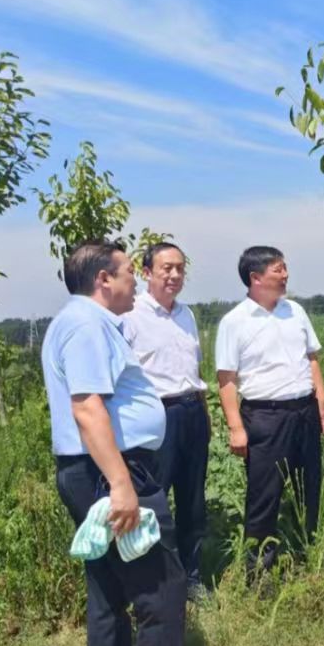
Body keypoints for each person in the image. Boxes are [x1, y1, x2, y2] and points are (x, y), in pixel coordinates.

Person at [42, 240, 186, 646]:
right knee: (162, 591)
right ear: (103, 279)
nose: (136, 281)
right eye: (128, 272)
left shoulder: (88, 322)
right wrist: (122, 484)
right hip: (112, 473)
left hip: (98, 470)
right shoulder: (87, 325)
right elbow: (87, 408)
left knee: (108, 591)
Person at [214, 246, 324, 577]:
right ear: (256, 278)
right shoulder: (234, 322)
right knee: (265, 496)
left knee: (309, 488)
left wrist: (320, 397)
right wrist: (236, 428)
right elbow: (226, 380)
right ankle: (259, 573)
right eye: (278, 269)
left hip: (304, 412)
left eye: (285, 268)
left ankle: (309, 556)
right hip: (265, 418)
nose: (285, 275)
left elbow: (312, 357)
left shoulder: (295, 311)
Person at [122, 242, 210, 603]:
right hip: (156, 418)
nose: (174, 275)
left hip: (192, 412)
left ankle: (192, 577)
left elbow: (195, 371)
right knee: (155, 500)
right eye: (166, 269)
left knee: (193, 500)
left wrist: (205, 415)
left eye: (180, 269)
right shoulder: (131, 317)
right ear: (146, 273)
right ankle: (154, 580)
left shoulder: (186, 315)